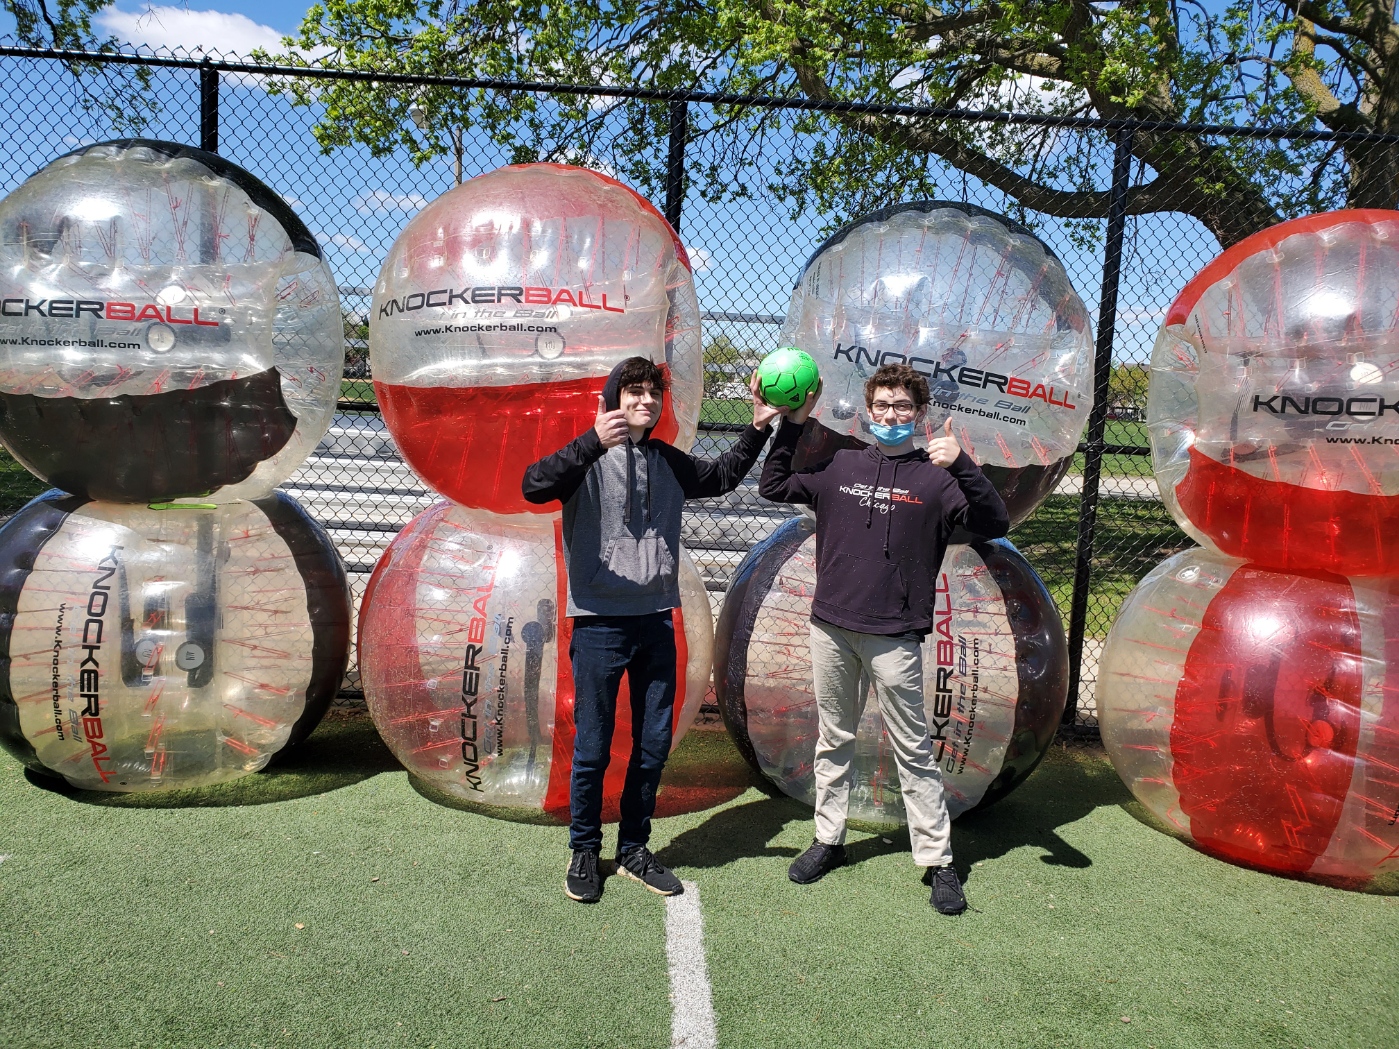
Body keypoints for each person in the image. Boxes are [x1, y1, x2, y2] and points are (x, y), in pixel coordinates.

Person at [523, 356, 781, 903]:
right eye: (633, 392)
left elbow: (721, 477)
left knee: (653, 746)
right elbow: (533, 485)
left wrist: (758, 425)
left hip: (657, 622)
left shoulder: (665, 460)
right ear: (613, 400)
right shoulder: (586, 456)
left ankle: (635, 848)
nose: (644, 402)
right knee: (593, 747)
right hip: (598, 626)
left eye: (652, 394)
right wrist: (591, 442)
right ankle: (585, 850)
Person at [757, 362, 1009, 915]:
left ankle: (938, 860)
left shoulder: (937, 479)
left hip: (894, 635)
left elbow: (996, 522)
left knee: (914, 750)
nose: (891, 416)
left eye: (902, 408)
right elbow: (772, 485)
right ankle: (828, 839)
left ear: (918, 416)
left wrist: (964, 464)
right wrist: (791, 424)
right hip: (831, 627)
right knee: (834, 738)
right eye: (882, 407)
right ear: (868, 413)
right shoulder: (842, 464)